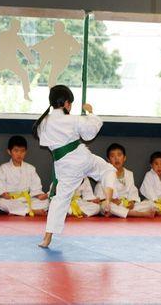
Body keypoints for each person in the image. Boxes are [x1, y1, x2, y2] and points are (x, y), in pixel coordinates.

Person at [33, 85, 116, 247]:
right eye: (69, 103)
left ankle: (47, 239)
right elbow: (90, 132)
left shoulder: (43, 123)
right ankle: (107, 199)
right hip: (82, 157)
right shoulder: (73, 119)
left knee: (60, 200)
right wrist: (91, 112)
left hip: (65, 167)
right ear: (66, 103)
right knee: (108, 169)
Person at [0, 135, 49, 216]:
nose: (19, 154)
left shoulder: (30, 168)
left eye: (22, 151)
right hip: (11, 199)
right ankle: (31, 211)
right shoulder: (3, 168)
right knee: (2, 203)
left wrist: (39, 195)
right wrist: (3, 194)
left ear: (25, 152)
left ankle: (19, 211)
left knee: (46, 202)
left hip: (27, 199)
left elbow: (36, 187)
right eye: (16, 151)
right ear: (9, 151)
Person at [95, 143, 155, 218]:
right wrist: (111, 200)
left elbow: (132, 190)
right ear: (108, 160)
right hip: (112, 204)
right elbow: (100, 195)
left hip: (125, 205)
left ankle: (118, 213)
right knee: (104, 206)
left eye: (119, 155)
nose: (116, 158)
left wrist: (132, 202)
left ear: (124, 158)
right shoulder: (104, 174)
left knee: (150, 204)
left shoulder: (129, 174)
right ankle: (137, 214)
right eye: (113, 156)